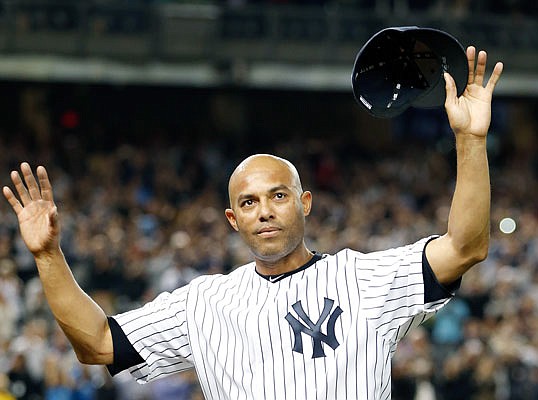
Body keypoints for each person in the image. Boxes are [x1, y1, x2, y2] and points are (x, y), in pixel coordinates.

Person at [3, 46, 503, 400]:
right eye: (248, 202)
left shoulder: (362, 280)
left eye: (278, 196)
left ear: (304, 203)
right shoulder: (203, 304)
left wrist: (470, 141)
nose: (264, 210)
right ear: (232, 219)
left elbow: (465, 246)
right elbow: (97, 344)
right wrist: (48, 255)